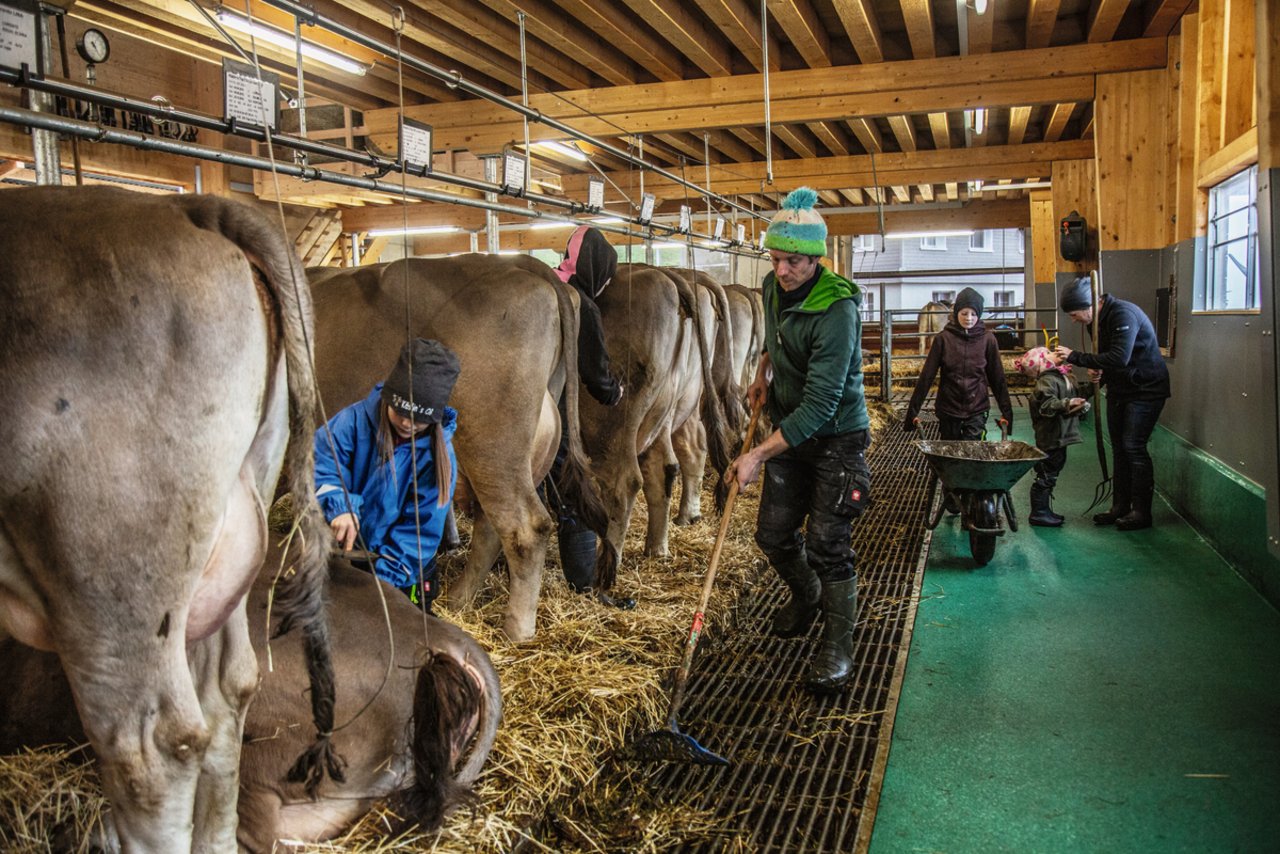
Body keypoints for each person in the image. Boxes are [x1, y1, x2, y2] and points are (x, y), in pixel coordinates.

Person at [725, 187, 870, 694]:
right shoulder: (771, 286)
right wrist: (764, 370)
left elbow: (822, 405)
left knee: (828, 543)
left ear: (815, 260)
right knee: (772, 534)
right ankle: (807, 596)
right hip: (791, 428)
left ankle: (837, 645)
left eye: (792, 262)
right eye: (775, 258)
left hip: (835, 437)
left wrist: (756, 456)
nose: (781, 270)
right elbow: (774, 334)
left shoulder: (838, 312)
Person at [314, 338, 460, 609]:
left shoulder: (440, 458)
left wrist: (380, 584)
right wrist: (340, 505)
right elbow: (323, 460)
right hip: (346, 553)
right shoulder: (354, 420)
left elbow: (420, 531)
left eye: (418, 419)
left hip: (401, 570)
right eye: (400, 411)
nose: (406, 423)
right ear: (388, 397)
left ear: (435, 417)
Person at [549, 225, 634, 609]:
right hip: (551, 410)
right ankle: (584, 586)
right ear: (597, 269)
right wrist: (613, 391)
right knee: (572, 483)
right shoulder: (577, 301)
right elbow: (596, 373)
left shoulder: (544, 280)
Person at [1052, 276, 1170, 530]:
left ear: (1091, 305)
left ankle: (1141, 512)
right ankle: (1120, 506)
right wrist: (1098, 377)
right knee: (1118, 447)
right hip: (1121, 387)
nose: (1074, 319)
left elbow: (1119, 357)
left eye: (1074, 314)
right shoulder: (1095, 322)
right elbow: (1107, 360)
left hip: (1145, 388)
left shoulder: (1123, 314)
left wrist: (1077, 357)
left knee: (1133, 446)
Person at [903, 287, 1014, 441]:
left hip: (977, 408)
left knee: (973, 451)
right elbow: (926, 377)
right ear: (956, 313)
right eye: (964, 313)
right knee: (950, 450)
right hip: (948, 408)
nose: (968, 318)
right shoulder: (943, 339)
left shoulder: (988, 340)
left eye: (973, 314)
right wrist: (912, 412)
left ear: (979, 314)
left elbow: (997, 378)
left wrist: (1007, 412)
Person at [1014, 346, 1092, 527]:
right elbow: (1047, 405)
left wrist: (1095, 383)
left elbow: (1078, 394)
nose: (1054, 353)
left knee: (1052, 470)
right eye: (1048, 353)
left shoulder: (1060, 377)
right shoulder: (1047, 381)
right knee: (1047, 472)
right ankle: (1039, 512)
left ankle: (1043, 510)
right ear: (1042, 363)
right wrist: (1067, 403)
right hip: (1051, 436)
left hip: (1059, 435)